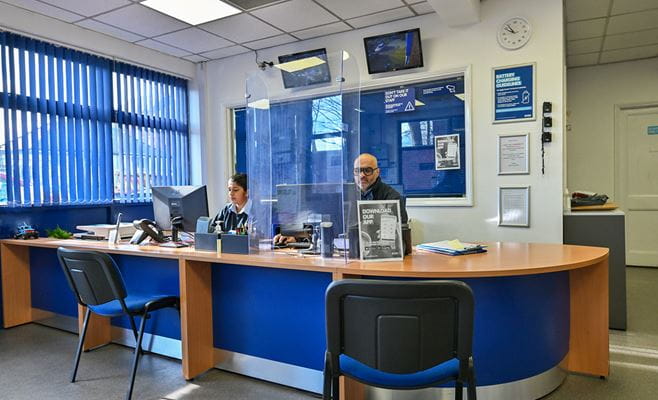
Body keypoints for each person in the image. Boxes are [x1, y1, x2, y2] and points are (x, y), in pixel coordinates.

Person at [273, 153, 408, 246]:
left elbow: (398, 235)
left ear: (377, 172)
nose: (362, 175)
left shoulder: (392, 197)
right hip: (343, 252)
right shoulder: (343, 195)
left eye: (367, 170)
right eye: (357, 171)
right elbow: (324, 221)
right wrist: (296, 236)